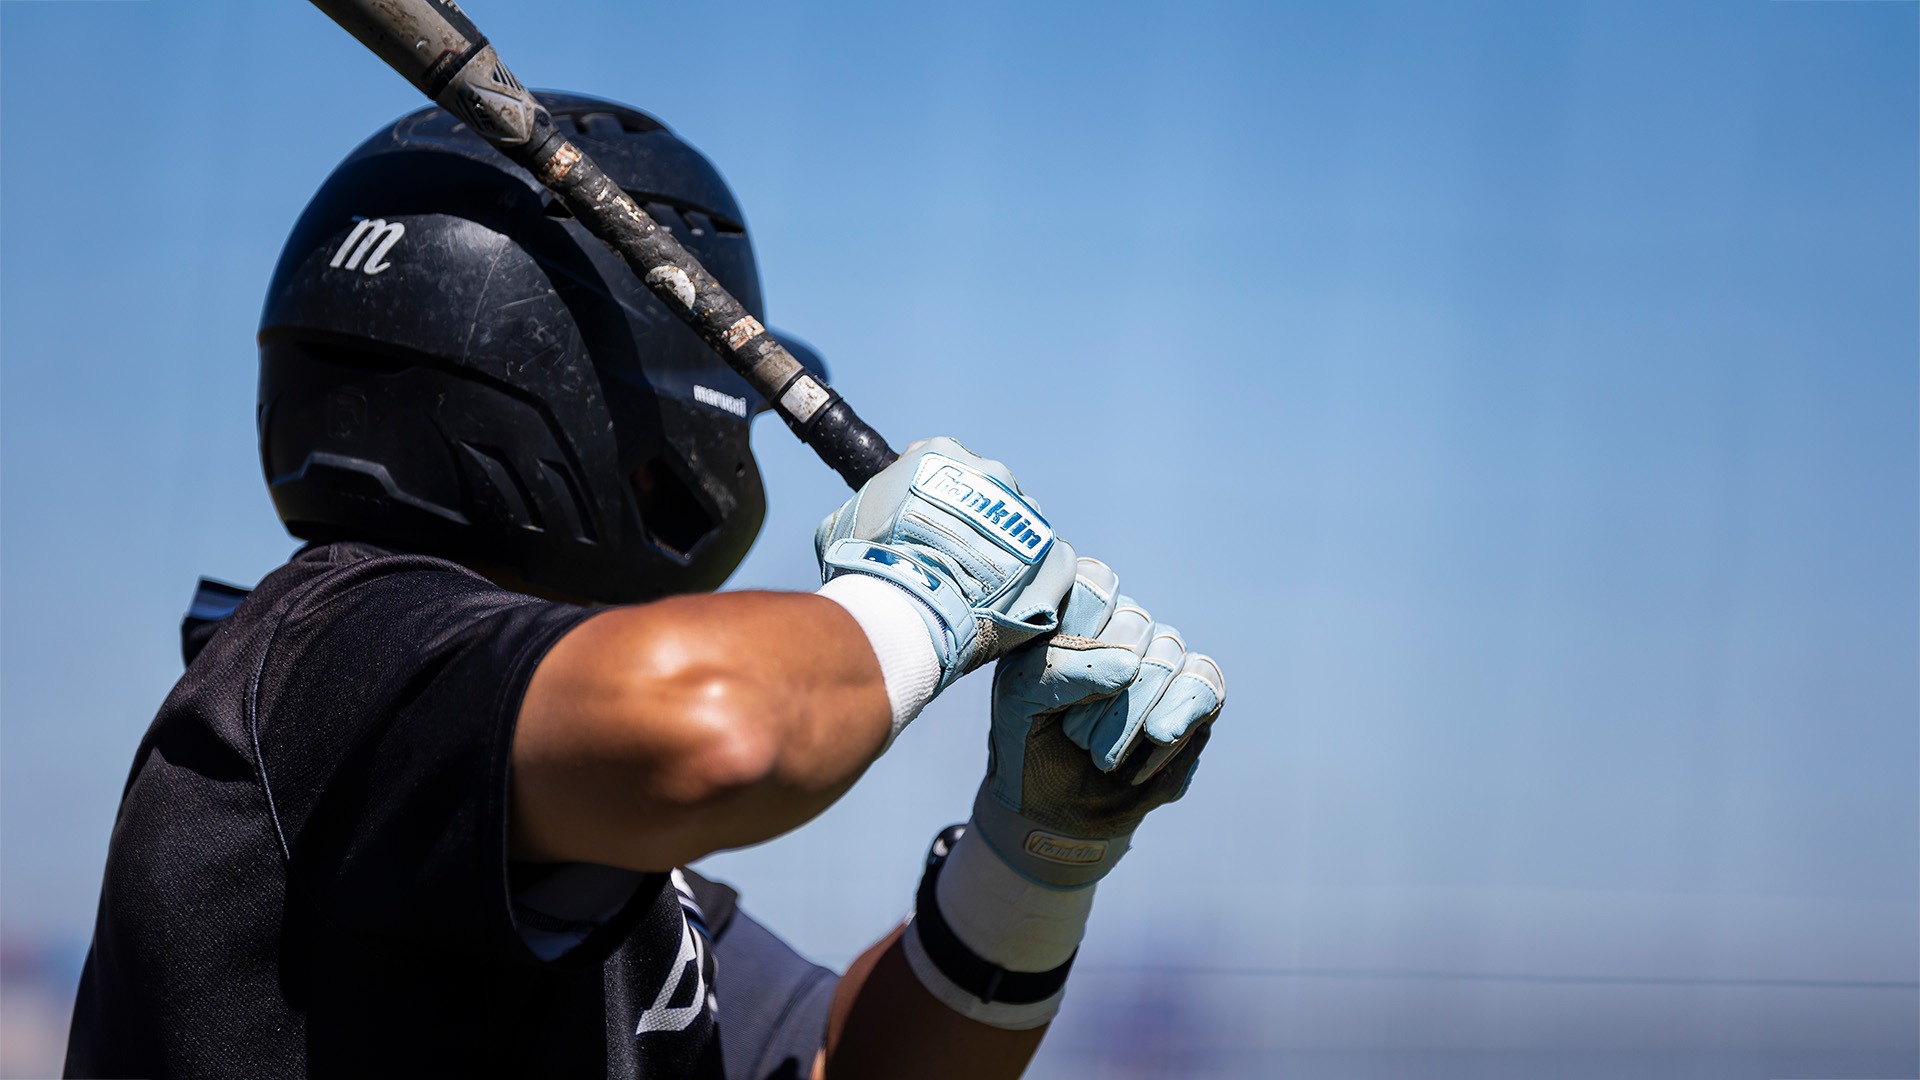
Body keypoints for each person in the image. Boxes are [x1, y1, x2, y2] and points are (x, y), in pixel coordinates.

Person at [64, 93, 1226, 1080]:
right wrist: (920, 595)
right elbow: (717, 734)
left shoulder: (568, 828)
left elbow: (835, 1060)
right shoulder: (334, 650)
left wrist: (1032, 861)